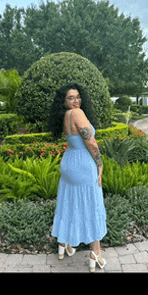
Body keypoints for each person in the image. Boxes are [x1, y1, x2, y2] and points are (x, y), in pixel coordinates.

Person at [48, 82, 107, 272]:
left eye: (77, 96)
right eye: (71, 98)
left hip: (69, 162)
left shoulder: (65, 116)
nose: (76, 100)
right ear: (64, 101)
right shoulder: (77, 113)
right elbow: (90, 140)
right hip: (83, 163)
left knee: (69, 202)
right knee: (92, 204)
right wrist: (99, 163)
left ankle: (64, 244)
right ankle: (95, 253)